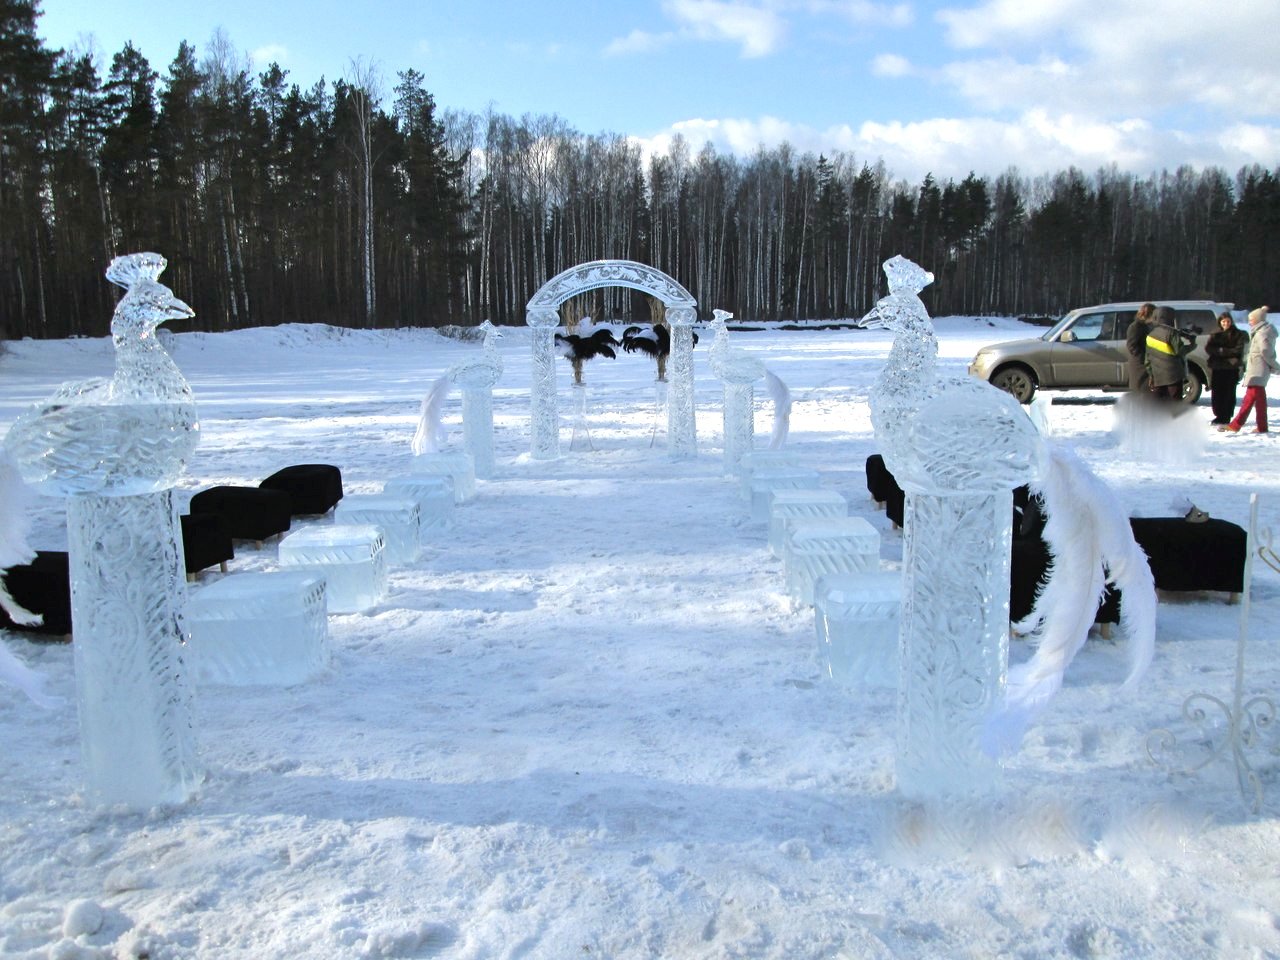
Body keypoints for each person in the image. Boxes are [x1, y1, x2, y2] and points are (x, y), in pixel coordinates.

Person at [1222, 306, 1280, 434]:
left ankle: (1236, 425)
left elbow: (1265, 351)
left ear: (1258, 320)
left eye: (1251, 319)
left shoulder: (1261, 333)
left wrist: (1276, 366)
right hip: (1257, 370)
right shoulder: (1261, 331)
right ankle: (1261, 426)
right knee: (1258, 401)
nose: (1249, 322)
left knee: (1249, 400)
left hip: (1257, 371)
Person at [1144, 305, 1195, 401]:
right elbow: (1180, 351)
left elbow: (1147, 360)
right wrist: (1192, 345)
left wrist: (1151, 375)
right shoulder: (1172, 333)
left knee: (1161, 406)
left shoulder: (1150, 335)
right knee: (1174, 404)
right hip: (1173, 376)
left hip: (1158, 376)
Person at [1205, 311, 1247, 424]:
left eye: (1228, 321)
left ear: (1231, 321)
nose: (1226, 323)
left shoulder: (1237, 334)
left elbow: (1238, 350)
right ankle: (1218, 415)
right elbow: (1209, 348)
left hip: (1231, 368)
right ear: (1220, 322)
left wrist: (1223, 351)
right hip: (1217, 367)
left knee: (1228, 393)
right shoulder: (1215, 333)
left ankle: (1226, 416)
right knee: (1217, 392)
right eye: (1223, 321)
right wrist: (1219, 351)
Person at [1125, 302, 1156, 391]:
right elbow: (1132, 346)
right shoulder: (1135, 327)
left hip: (1145, 362)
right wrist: (1143, 358)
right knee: (1139, 387)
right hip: (1139, 364)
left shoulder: (1145, 326)